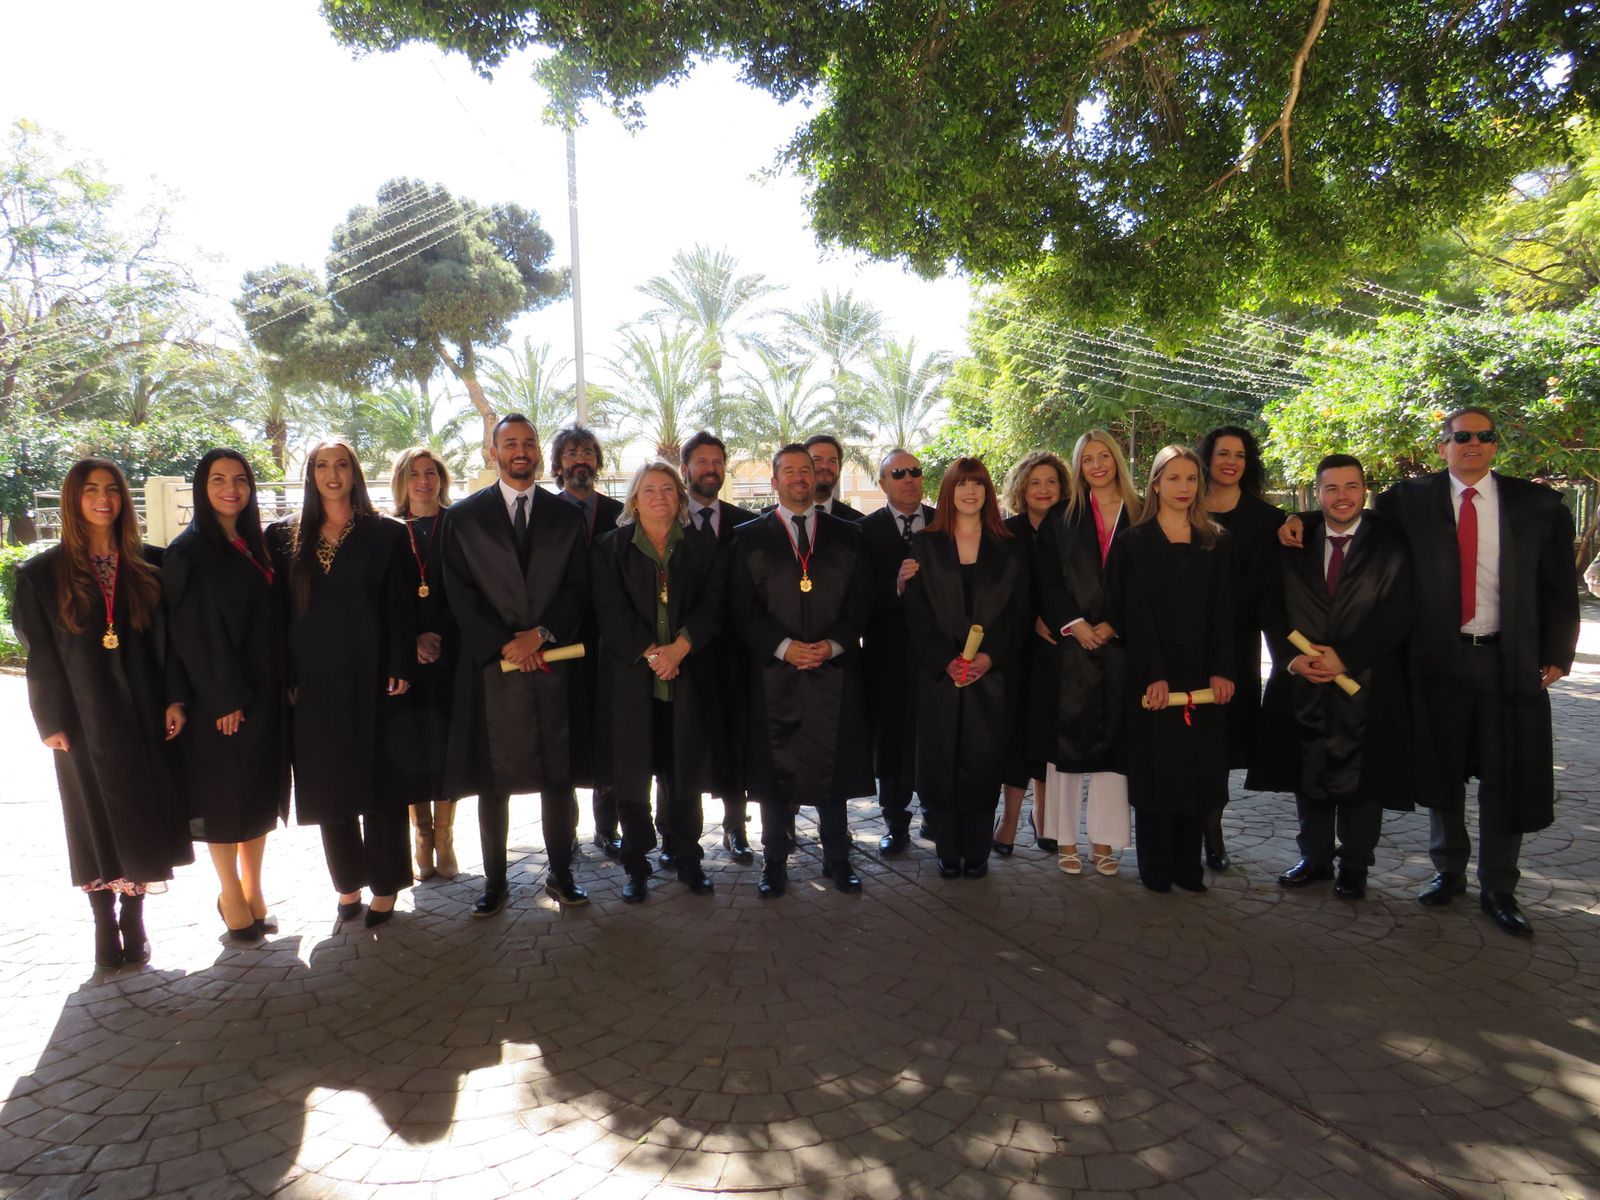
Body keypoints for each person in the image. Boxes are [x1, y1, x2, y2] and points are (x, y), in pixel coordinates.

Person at [1278, 408, 1580, 934]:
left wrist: (1558, 651)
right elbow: (1350, 520)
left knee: (1504, 775)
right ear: (1443, 445)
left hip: (1509, 661)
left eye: (1485, 436)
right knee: (1442, 772)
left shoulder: (1537, 505)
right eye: (1461, 436)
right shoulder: (1408, 502)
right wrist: (1300, 520)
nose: (1473, 445)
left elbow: (1558, 586)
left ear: (1495, 446)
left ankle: (1500, 886)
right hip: (1437, 659)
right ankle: (1448, 872)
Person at [14, 459, 192, 969]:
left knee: (141, 811)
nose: (103, 499)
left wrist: (175, 698)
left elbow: (171, 647)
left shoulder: (149, 565)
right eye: (91, 490)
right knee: (90, 815)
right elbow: (40, 656)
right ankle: (100, 917)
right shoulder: (42, 575)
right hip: (82, 718)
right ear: (74, 499)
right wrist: (50, 721)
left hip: (143, 712)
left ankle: (133, 916)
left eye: (112, 489)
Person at [439, 415, 590, 915]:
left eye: (528, 443)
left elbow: (578, 588)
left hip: (552, 664)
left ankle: (562, 874)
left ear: (537, 452)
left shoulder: (566, 517)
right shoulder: (463, 518)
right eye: (510, 443)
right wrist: (505, 644)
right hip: (492, 673)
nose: (520, 451)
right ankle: (495, 881)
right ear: (494, 451)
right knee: (492, 783)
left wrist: (539, 635)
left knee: (557, 778)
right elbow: (459, 594)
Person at [266, 439, 416, 928]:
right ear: (309, 474)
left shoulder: (386, 534)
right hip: (313, 685)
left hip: (374, 679)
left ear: (355, 471)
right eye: (322, 466)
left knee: (379, 784)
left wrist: (400, 664)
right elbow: (279, 616)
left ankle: (386, 886)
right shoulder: (284, 537)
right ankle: (346, 884)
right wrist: (286, 676)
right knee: (329, 788)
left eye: (342, 465)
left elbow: (401, 607)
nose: (332, 474)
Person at [1250, 454, 1414, 899]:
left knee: (1364, 780)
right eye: (1332, 488)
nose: (1342, 497)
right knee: (1310, 770)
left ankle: (1356, 864)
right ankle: (1316, 857)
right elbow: (1270, 606)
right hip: (1304, 677)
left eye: (1351, 487)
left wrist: (1347, 657)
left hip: (1369, 681)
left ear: (1365, 490)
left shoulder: (1392, 542)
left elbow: (1400, 612)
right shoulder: (1291, 541)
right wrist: (1290, 658)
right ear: (1317, 493)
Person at [730, 443, 874, 896]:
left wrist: (832, 646)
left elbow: (861, 603)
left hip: (833, 671)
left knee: (832, 767)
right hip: (774, 674)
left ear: (817, 478)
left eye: (806, 470)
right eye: (788, 471)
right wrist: (784, 647)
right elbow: (741, 609)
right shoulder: (748, 536)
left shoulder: (848, 535)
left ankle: (838, 858)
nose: (799, 478)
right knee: (774, 775)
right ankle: (774, 862)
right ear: (774, 482)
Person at [163, 449, 288, 943]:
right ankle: (229, 892)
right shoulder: (190, 551)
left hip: (266, 693)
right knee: (225, 801)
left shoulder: (257, 544)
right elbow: (192, 633)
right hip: (223, 700)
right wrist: (222, 698)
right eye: (218, 480)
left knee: (257, 795)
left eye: (240, 480)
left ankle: (255, 889)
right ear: (202, 486)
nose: (231, 489)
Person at [592, 462, 727, 901]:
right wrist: (654, 654)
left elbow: (714, 604)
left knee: (683, 776)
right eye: (648, 489)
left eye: (668, 489)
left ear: (680, 498)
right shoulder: (609, 548)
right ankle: (636, 866)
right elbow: (610, 613)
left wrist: (679, 649)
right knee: (631, 780)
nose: (659, 496)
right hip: (632, 683)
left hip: (687, 678)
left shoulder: (703, 546)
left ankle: (688, 860)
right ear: (634, 498)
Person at [1106, 445, 1235, 894]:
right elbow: (1132, 617)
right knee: (1157, 773)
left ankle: (1189, 868)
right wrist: (1152, 674)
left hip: (1204, 678)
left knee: (1198, 774)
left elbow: (1225, 614)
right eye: (1174, 478)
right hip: (1152, 678)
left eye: (1192, 479)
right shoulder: (1133, 545)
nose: (1184, 488)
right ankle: (1156, 869)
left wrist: (1222, 670)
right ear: (1156, 483)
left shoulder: (1215, 540)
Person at [902, 458, 1029, 877]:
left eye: (978, 484)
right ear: (949, 492)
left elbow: (1018, 614)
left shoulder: (1009, 545)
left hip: (991, 677)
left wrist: (989, 657)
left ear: (988, 493)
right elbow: (917, 615)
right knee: (941, 764)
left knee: (983, 762)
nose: (970, 492)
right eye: (962, 485)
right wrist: (947, 660)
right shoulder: (925, 545)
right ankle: (947, 849)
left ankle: (977, 851)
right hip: (941, 676)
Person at [1033, 432, 1139, 877]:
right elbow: (1047, 581)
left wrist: (1115, 622)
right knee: (1068, 745)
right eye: (1087, 459)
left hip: (1121, 645)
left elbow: (1145, 580)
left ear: (1116, 461)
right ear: (1078, 467)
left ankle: (1104, 841)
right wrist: (1075, 624)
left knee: (1115, 747)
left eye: (1104, 457)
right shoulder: (1061, 517)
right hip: (1072, 647)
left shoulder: (1141, 513)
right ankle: (1065, 840)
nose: (1097, 465)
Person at [1197, 425, 1286, 871]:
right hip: (1185, 643)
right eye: (1222, 453)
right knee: (1187, 738)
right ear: (1207, 458)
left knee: (1224, 740)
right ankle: (1185, 824)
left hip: (1238, 645)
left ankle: (1212, 828)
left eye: (1240, 455)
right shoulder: (1185, 507)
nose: (1231, 461)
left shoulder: (1267, 520)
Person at [681, 430, 760, 862]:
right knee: (683, 745)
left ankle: (736, 828)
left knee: (733, 741)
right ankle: (678, 834)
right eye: (702, 462)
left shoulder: (745, 524)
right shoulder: (668, 520)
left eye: (717, 462)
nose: (710, 470)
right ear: (685, 469)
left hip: (734, 655)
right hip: (684, 655)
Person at [548, 426, 626, 862]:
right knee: (566, 735)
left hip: (611, 642)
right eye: (571, 453)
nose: (581, 459)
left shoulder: (620, 513)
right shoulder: (545, 513)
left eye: (588, 452)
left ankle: (607, 826)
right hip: (560, 643)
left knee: (609, 733)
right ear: (558, 465)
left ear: (597, 462)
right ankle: (566, 831)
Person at [858, 448, 934, 855]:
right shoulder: (865, 531)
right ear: (883, 483)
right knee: (892, 741)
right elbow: (858, 598)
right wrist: (897, 588)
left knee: (935, 735)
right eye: (897, 473)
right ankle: (895, 822)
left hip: (938, 657)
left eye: (915, 472)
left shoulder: (946, 522)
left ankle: (936, 815)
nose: (908, 479)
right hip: (887, 656)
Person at [388, 447, 459, 881]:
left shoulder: (459, 524)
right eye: (414, 474)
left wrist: (440, 636)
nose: (423, 481)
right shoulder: (386, 530)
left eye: (430, 473)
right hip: (406, 658)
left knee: (448, 749)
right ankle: (422, 834)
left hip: (452, 653)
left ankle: (447, 836)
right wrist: (410, 641)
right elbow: (383, 597)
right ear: (402, 480)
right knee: (412, 748)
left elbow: (470, 588)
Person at [995, 450, 1067, 856]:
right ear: (1022, 487)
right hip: (1015, 650)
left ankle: (1044, 818)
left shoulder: (1073, 530)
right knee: (1016, 736)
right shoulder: (1006, 533)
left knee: (1048, 736)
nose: (1043, 489)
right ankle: (1008, 819)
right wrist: (1032, 622)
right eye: (1035, 482)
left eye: (1052, 482)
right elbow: (999, 597)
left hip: (1058, 649)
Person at [804, 434, 864, 521]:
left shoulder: (857, 522)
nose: (825, 466)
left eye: (832, 461)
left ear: (840, 467)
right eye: (816, 460)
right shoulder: (779, 520)